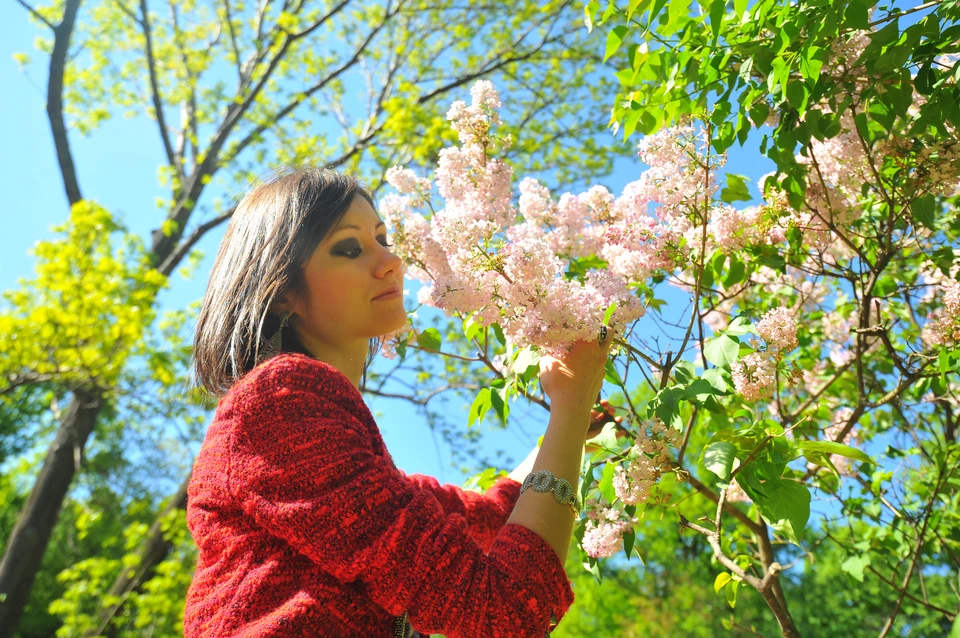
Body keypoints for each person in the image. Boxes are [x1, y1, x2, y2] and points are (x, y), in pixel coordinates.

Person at [185, 166, 614, 637]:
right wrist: (570, 409)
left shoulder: (327, 443)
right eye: (349, 248)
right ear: (285, 292)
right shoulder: (280, 400)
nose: (391, 262)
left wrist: (567, 427)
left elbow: (486, 515)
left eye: (383, 239)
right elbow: (503, 612)